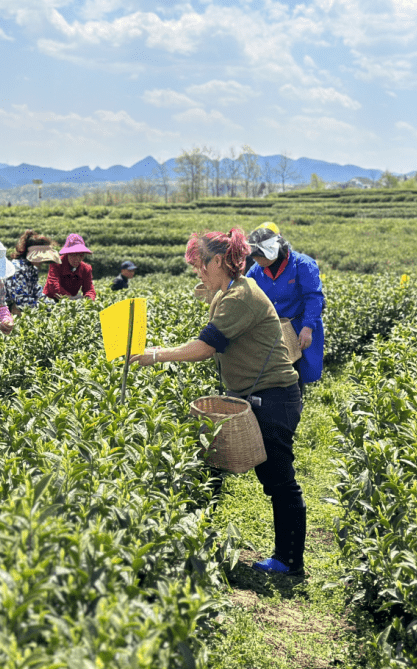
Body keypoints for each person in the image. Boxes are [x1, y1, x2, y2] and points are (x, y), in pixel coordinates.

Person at [131, 229, 306, 577]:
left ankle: (289, 561)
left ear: (217, 261)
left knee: (280, 478)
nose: (198, 271)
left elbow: (205, 346)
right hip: (261, 394)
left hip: (272, 397)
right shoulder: (232, 291)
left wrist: (154, 354)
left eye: (200, 265)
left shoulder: (239, 297)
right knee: (271, 476)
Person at [246, 227, 325, 392]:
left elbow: (314, 297)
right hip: (273, 330)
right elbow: (244, 290)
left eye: (259, 256)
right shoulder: (256, 270)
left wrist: (307, 328)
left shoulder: (301, 264)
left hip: (298, 327)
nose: (256, 260)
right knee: (275, 374)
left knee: (296, 374)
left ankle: (295, 406)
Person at [4, 230, 59, 314]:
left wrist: (55, 306)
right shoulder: (17, 269)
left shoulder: (31, 269)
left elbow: (38, 293)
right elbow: (22, 301)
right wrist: (48, 309)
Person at [44, 233, 96, 301]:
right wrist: (70, 298)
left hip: (70, 301)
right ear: (67, 254)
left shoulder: (86, 269)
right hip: (51, 299)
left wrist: (89, 298)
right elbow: (54, 285)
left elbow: (89, 288)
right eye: (74, 255)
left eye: (81, 255)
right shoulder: (56, 263)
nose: (77, 259)